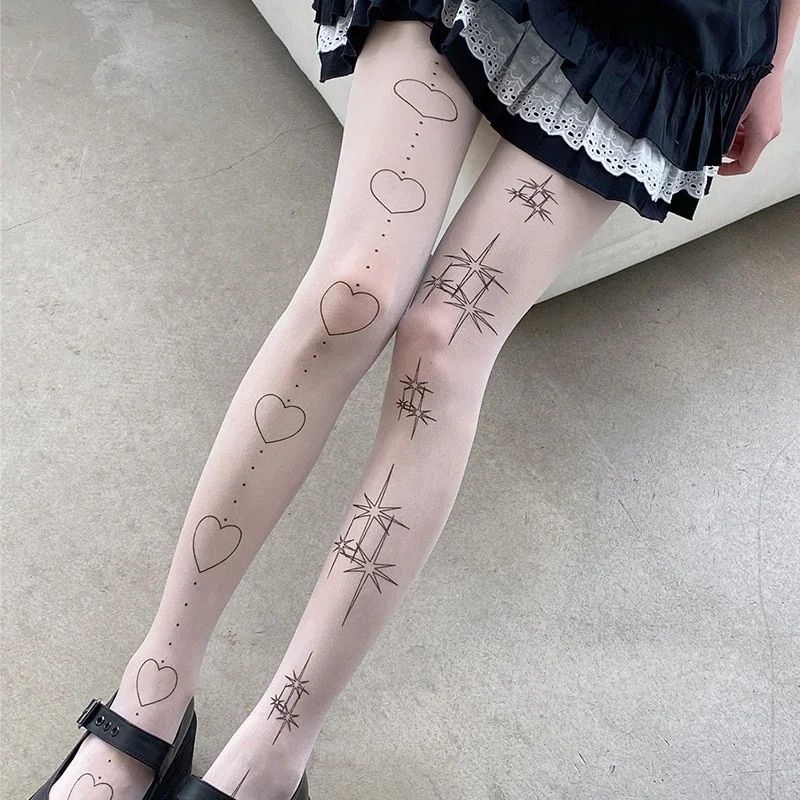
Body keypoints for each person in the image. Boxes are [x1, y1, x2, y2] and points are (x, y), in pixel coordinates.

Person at [33, 2, 797, 800]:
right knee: (350, 294)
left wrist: (776, 61)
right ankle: (151, 694)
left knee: (443, 345)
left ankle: (271, 760)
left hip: (668, 25)